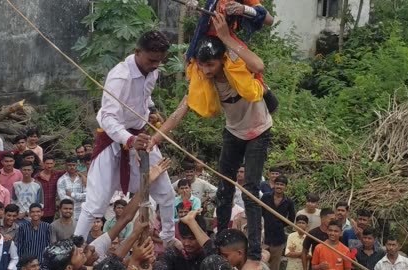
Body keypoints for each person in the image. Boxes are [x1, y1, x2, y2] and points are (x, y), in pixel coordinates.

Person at [151, 13, 272, 270]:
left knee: (250, 188)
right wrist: (155, 138)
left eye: (212, 65)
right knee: (224, 186)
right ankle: (222, 237)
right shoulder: (203, 80)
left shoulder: (236, 65)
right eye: (203, 66)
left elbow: (259, 65)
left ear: (221, 61)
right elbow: (178, 113)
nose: (207, 70)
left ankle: (253, 251)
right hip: (234, 132)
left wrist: (226, 37)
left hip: (259, 131)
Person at [74, 30, 180, 250]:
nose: (155, 65)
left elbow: (145, 96)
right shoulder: (119, 76)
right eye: (151, 60)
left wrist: (151, 109)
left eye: (159, 61)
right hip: (115, 139)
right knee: (95, 202)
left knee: (166, 193)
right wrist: (129, 140)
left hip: (140, 136)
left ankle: (169, 239)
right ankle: (74, 247)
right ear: (137, 52)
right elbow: (107, 117)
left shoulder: (153, 72)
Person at [261, 176, 295, 270]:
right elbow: (260, 212)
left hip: (278, 239)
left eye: (282, 184)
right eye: (277, 184)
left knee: (275, 266)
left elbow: (291, 219)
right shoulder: (266, 197)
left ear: (285, 187)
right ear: (274, 185)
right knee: (260, 263)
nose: (279, 186)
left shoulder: (289, 202)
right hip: (264, 237)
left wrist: (279, 225)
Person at [34, 154, 65, 223]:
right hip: (40, 209)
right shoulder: (37, 177)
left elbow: (71, 170)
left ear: (54, 163)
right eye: (47, 163)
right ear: (43, 163)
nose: (49, 166)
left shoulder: (57, 174)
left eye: (51, 163)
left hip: (51, 209)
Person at [57, 157, 86, 221]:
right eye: (69, 165)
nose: (72, 167)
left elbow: (87, 196)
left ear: (77, 166)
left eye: (73, 165)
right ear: (66, 166)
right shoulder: (61, 180)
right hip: (67, 214)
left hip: (81, 213)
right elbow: (63, 198)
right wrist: (80, 197)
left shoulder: (82, 179)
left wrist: (72, 194)